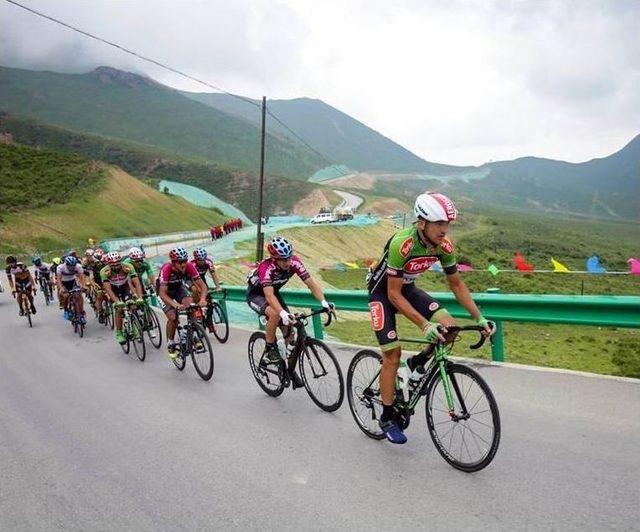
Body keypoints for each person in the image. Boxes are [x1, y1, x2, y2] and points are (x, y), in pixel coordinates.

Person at [367, 192, 494, 444]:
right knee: (392, 354)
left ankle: (418, 363)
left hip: (408, 290)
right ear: (422, 222)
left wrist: (479, 318)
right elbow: (393, 294)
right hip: (382, 293)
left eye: (447, 224)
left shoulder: (444, 246)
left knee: (450, 328)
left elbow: (456, 285)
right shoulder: (402, 244)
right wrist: (424, 324)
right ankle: (387, 416)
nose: (444, 230)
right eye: (439, 224)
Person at [246, 236, 334, 388]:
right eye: (284, 260)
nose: (288, 262)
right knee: (274, 314)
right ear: (274, 259)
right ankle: (269, 349)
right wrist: (282, 313)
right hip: (257, 295)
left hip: (274, 293)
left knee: (290, 333)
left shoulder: (294, 262)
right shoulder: (266, 268)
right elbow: (269, 296)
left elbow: (311, 285)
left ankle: (288, 369)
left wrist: (324, 302)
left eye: (289, 258)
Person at [157, 247, 208, 359]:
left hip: (178, 289)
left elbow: (203, 286)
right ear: (173, 263)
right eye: (180, 262)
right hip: (164, 293)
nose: (183, 264)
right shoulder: (167, 268)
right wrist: (175, 305)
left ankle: (194, 334)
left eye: (185, 261)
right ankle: (170, 342)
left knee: (192, 307)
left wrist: (203, 299)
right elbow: (162, 293)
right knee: (173, 316)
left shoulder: (190, 266)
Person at [100, 251, 144, 344]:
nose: (115, 266)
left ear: (121, 261)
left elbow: (136, 282)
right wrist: (116, 301)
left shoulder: (128, 266)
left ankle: (135, 327)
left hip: (124, 288)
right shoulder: (104, 271)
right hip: (113, 290)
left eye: (117, 263)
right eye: (112, 264)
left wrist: (140, 297)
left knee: (132, 305)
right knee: (119, 309)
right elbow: (107, 289)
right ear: (108, 264)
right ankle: (119, 333)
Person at [189, 247, 222, 333]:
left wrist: (217, 286)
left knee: (209, 301)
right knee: (196, 291)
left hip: (201, 279)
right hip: (191, 280)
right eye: (200, 260)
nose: (202, 261)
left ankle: (209, 322)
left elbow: (214, 275)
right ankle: (197, 310)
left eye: (204, 259)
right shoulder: (192, 265)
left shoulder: (208, 262)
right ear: (196, 259)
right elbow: (193, 280)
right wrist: (199, 289)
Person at [55, 255, 88, 324]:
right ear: (66, 264)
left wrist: (83, 286)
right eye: (70, 266)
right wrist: (61, 288)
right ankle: (66, 309)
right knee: (66, 295)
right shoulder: (60, 267)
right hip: (63, 283)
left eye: (73, 266)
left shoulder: (78, 266)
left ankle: (81, 313)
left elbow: (82, 277)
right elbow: (58, 279)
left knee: (79, 295)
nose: (72, 268)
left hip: (73, 281)